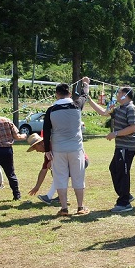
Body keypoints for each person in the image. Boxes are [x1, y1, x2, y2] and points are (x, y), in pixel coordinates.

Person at [87, 86, 135, 212]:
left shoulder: (130, 108)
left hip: (127, 146)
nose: (117, 94)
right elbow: (104, 112)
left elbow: (133, 127)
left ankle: (124, 202)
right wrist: (89, 100)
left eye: (119, 92)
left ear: (125, 95)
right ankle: (125, 194)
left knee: (123, 172)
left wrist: (115, 134)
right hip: (120, 146)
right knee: (114, 169)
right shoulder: (119, 108)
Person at [43, 79, 89, 216]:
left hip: (58, 149)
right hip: (76, 148)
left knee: (60, 178)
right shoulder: (76, 105)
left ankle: (64, 208)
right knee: (78, 177)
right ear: (69, 93)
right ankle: (80, 207)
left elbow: (46, 132)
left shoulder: (51, 110)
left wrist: (47, 150)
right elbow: (84, 95)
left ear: (57, 94)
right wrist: (85, 84)